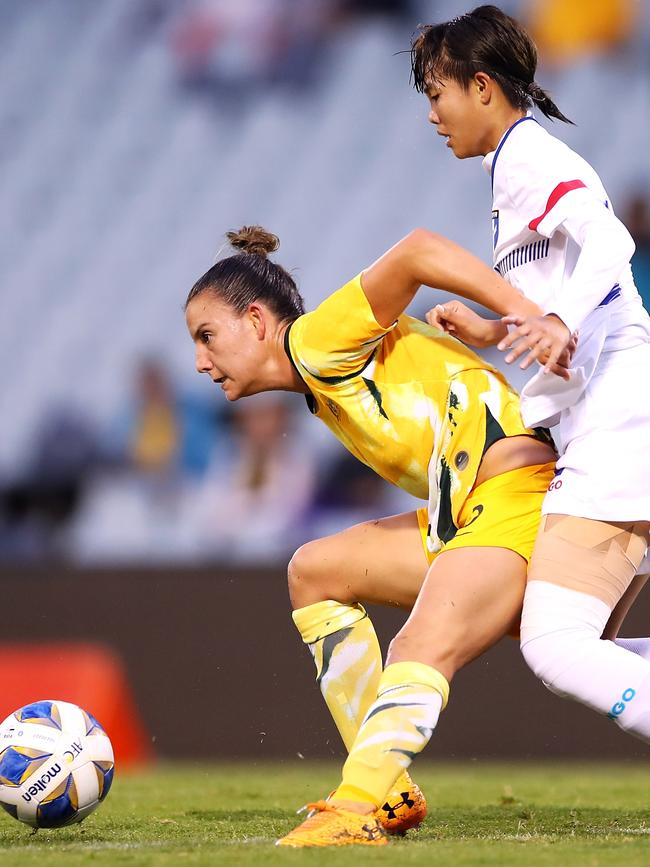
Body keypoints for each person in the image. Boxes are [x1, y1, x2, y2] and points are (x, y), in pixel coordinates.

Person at [185, 224, 561, 847]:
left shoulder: (314, 342)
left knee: (425, 644)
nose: (199, 360)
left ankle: (356, 806)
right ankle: (386, 788)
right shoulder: (322, 378)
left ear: (256, 322)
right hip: (472, 514)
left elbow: (416, 250)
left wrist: (525, 317)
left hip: (518, 494)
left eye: (206, 336)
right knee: (315, 570)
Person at [409, 3, 650, 769]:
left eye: (436, 92)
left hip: (619, 426)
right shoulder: (508, 168)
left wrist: (563, 323)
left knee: (554, 642)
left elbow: (611, 242)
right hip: (611, 421)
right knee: (577, 640)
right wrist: (500, 328)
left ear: (482, 87)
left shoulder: (525, 159)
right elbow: (565, 290)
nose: (433, 114)